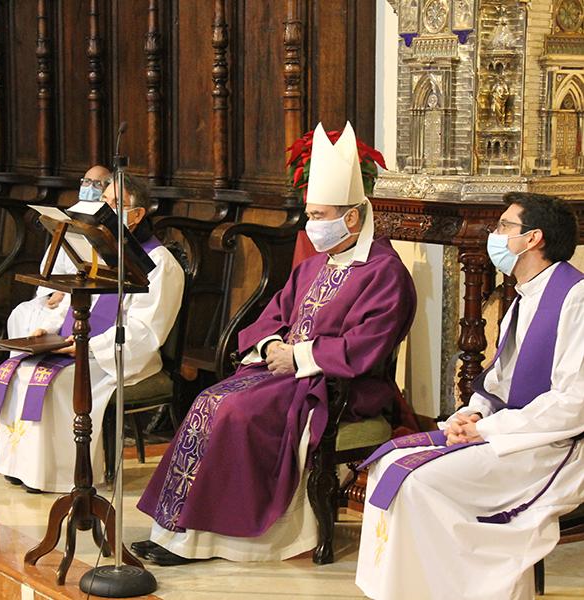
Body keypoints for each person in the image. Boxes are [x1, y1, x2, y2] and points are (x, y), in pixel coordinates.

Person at [134, 122, 417, 565]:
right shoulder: (315, 266)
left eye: (320, 216)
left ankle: (218, 538)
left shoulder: (385, 272)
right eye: (311, 215)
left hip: (337, 386)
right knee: (209, 399)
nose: (311, 226)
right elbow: (275, 314)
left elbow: (367, 346)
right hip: (285, 373)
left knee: (236, 411)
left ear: (353, 217)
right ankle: (177, 530)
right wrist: (269, 348)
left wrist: (299, 357)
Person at [356, 193, 584, 600]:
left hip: (551, 446)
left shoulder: (575, 298)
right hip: (510, 432)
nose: (494, 235)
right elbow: (498, 380)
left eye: (503, 227)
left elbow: (573, 402)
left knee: (418, 484)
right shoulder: (524, 295)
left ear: (533, 239)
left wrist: (491, 429)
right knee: (388, 463)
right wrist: (472, 415)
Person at [0, 172, 185, 492]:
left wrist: (88, 346)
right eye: (104, 202)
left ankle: (61, 473)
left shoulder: (160, 263)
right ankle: (24, 466)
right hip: (82, 344)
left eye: (116, 204)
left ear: (137, 215)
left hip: (120, 355)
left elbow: (145, 331)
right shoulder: (102, 252)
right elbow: (77, 303)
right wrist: (49, 330)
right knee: (23, 365)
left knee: (61, 380)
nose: (105, 210)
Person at [5, 164, 111, 338]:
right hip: (60, 296)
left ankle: (45, 363)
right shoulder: (69, 221)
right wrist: (55, 291)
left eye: (97, 184)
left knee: (48, 323)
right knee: (21, 313)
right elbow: (52, 267)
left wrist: (67, 293)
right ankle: (21, 364)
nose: (89, 188)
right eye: (86, 182)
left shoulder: (107, 229)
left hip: (86, 298)